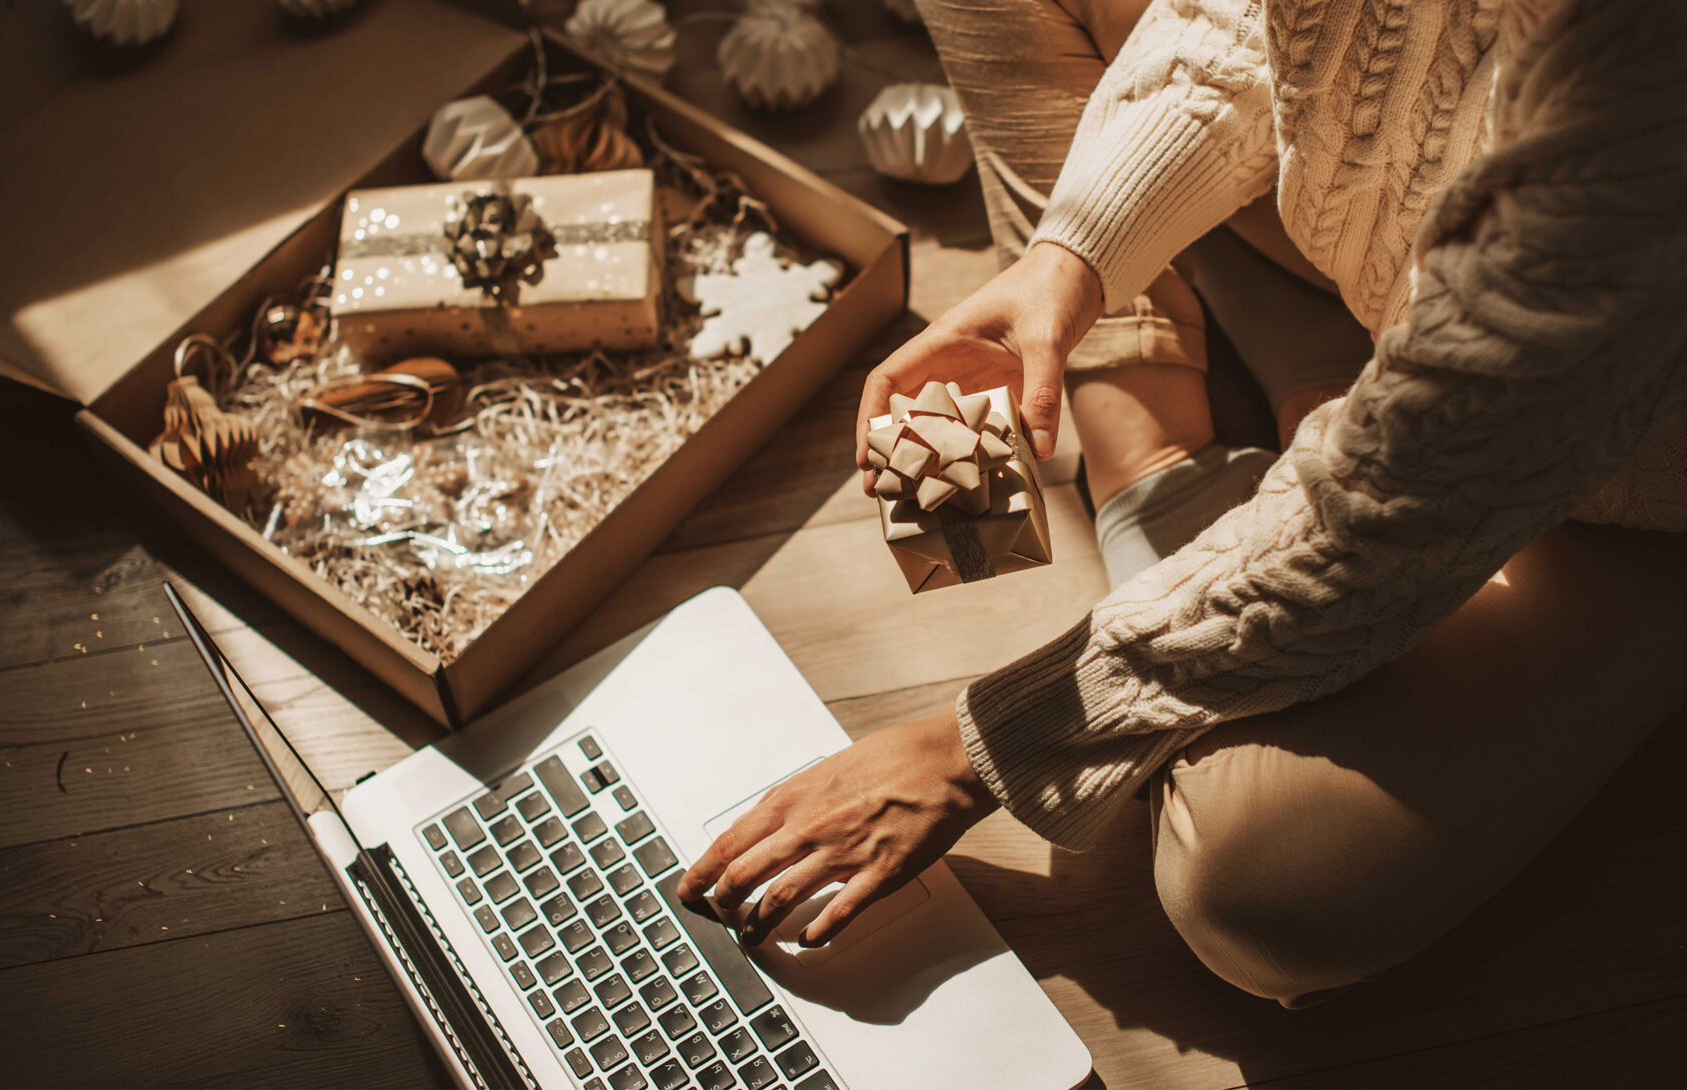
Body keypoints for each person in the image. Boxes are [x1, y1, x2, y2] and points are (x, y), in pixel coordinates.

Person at [677, 0, 1687, 1008]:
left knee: (1256, 887)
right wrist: (1068, 257)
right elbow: (1252, 23)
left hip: (1610, 489)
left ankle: (1181, 460)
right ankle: (1233, 434)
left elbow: (1408, 492)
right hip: (1396, 286)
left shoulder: (1637, 74)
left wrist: (974, 750)